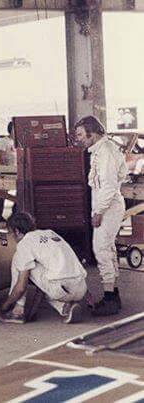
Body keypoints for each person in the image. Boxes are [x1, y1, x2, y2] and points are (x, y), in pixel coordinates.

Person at [74, 115, 128, 316]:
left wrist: (98, 212)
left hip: (108, 207)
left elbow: (109, 186)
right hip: (108, 206)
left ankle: (109, 299)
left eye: (81, 134)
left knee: (101, 249)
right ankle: (113, 294)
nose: (78, 139)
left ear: (92, 133)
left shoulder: (105, 152)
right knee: (108, 249)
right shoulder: (101, 150)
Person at [0, 212, 87, 325]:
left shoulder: (24, 243)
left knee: (19, 261)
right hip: (81, 287)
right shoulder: (50, 233)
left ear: (16, 231)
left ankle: (17, 312)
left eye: (10, 232)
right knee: (49, 288)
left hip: (62, 288)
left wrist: (4, 306)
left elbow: (21, 287)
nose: (10, 236)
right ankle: (66, 309)